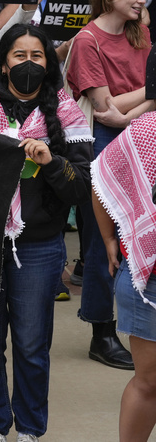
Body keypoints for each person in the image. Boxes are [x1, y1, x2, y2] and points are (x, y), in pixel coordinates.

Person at [0, 24, 93, 442]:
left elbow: (80, 188)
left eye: (37, 57)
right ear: (3, 61)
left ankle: (30, 430)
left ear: (48, 64)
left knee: (32, 347)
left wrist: (51, 161)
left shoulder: (67, 113)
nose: (28, 64)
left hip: (39, 247)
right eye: (19, 56)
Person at [66, 0, 154, 371]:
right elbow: (104, 109)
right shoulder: (87, 41)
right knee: (104, 242)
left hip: (139, 136)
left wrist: (138, 105)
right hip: (101, 144)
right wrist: (151, 97)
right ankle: (102, 331)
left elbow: (122, 107)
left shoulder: (141, 32)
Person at [90, 110, 156, 442]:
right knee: (149, 381)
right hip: (150, 282)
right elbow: (102, 177)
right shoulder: (147, 131)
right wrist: (108, 239)